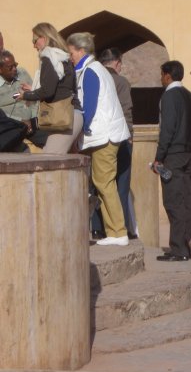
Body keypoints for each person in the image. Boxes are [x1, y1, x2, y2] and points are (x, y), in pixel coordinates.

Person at [66, 31, 130, 247]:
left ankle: (118, 231)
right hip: (104, 134)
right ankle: (115, 230)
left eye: (72, 52)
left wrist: (79, 132)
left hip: (103, 135)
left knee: (104, 182)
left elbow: (89, 106)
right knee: (104, 182)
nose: (70, 56)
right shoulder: (92, 69)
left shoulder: (91, 70)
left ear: (81, 51)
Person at [152, 60, 191, 262]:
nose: (161, 78)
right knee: (185, 202)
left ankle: (178, 249)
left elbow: (167, 129)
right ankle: (185, 245)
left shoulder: (169, 96)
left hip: (173, 157)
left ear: (167, 75)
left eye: (162, 74)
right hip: (188, 157)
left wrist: (159, 156)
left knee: (173, 202)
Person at [17, 23, 83, 154]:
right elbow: (61, 87)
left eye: (35, 41)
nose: (34, 45)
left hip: (63, 117)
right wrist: (33, 89)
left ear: (44, 38)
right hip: (72, 115)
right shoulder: (62, 57)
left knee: (48, 160)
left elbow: (48, 91)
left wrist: (25, 96)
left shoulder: (49, 57)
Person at [91, 48, 135, 239]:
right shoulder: (120, 81)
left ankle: (97, 226)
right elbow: (126, 110)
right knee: (120, 185)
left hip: (97, 137)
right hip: (119, 137)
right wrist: (129, 134)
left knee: (99, 184)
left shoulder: (94, 77)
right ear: (117, 63)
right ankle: (120, 227)